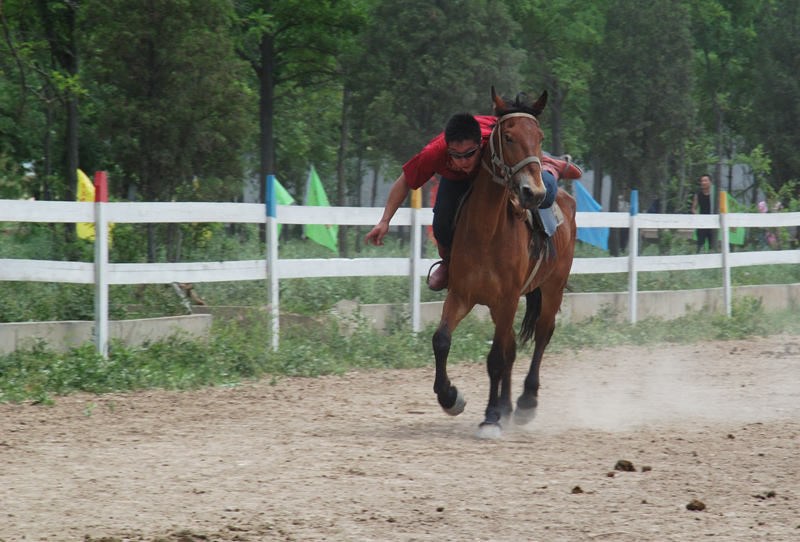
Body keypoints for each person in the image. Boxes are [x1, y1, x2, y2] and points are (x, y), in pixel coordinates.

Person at [364, 107, 581, 291]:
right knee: (441, 218)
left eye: (469, 153)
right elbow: (404, 181)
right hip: (454, 178)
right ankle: (448, 263)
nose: (464, 160)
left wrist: (516, 196)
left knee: (541, 198)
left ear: (480, 143)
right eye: (456, 155)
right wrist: (385, 221)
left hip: (498, 166)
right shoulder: (435, 153)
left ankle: (551, 166)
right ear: (447, 149)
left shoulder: (491, 140)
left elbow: (519, 140)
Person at [691, 174, 713, 252]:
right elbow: (693, 208)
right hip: (701, 224)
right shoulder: (698, 195)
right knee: (700, 246)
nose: (703, 182)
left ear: (710, 182)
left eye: (705, 180)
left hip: (713, 223)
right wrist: (699, 217)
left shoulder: (715, 195)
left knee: (712, 247)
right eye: (702, 181)